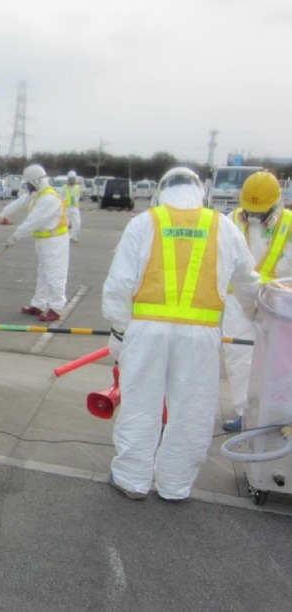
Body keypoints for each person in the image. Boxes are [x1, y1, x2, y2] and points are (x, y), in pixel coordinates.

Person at [102, 167, 259, 502]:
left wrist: (118, 331)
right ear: (198, 192)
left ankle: (131, 479)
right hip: (199, 336)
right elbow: (247, 279)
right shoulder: (222, 225)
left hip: (146, 332)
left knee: (140, 405)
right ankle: (175, 485)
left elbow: (119, 286)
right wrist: (255, 313)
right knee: (192, 410)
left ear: (162, 190)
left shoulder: (145, 223)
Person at [221, 171, 292, 432]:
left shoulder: (290, 224)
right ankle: (243, 411)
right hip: (237, 299)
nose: (254, 217)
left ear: (277, 202)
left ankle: (278, 412)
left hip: (279, 303)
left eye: (260, 211)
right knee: (239, 354)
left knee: (280, 359)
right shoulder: (231, 221)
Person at [0, 163, 69, 322]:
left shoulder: (49, 198)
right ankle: (38, 304)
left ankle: (56, 308)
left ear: (37, 181)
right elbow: (17, 204)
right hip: (43, 241)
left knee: (55, 274)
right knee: (43, 273)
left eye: (29, 184)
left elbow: (32, 222)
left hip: (55, 242)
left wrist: (14, 237)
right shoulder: (36, 194)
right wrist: (0, 216)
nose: (28, 188)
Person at [63, 170, 82, 243]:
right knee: (65, 224)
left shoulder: (77, 187)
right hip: (67, 208)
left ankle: (72, 236)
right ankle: (65, 237)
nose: (72, 181)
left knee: (77, 223)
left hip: (74, 208)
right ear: (68, 179)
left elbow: (78, 196)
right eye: (71, 179)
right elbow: (61, 197)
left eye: (73, 179)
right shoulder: (64, 187)